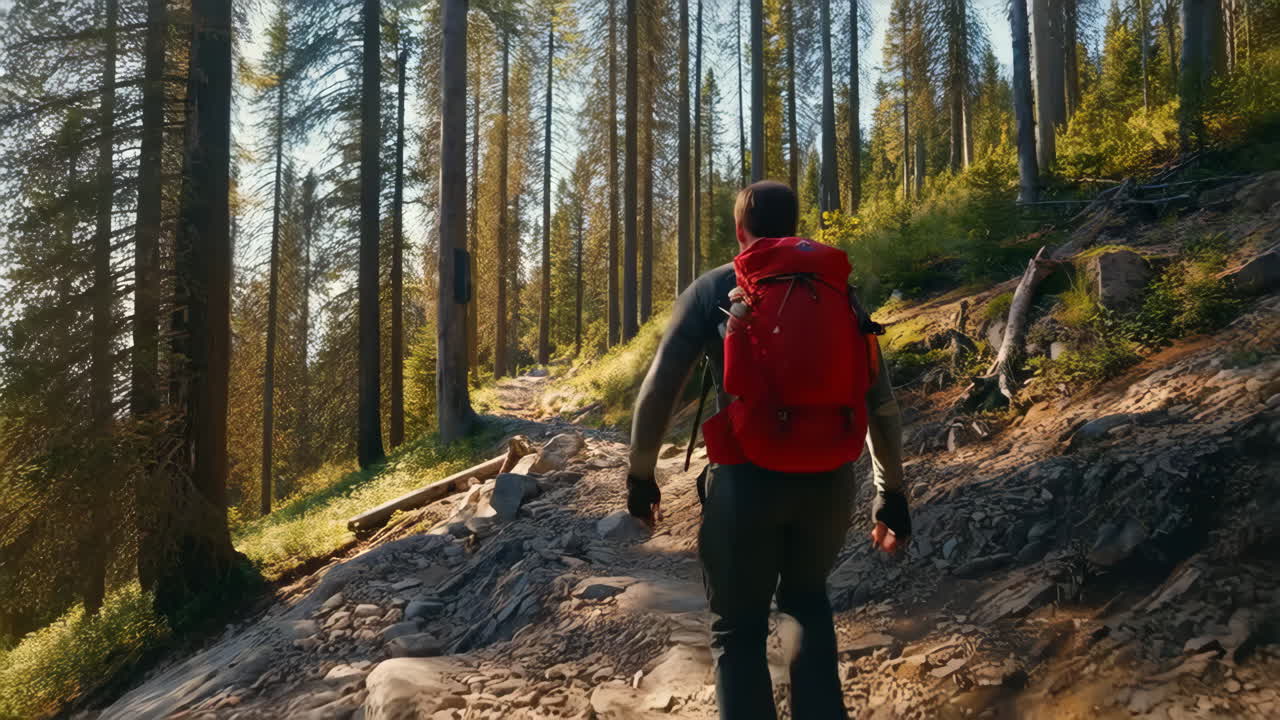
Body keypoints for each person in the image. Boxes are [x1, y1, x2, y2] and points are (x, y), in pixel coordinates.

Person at [625, 181, 910, 720]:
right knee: (808, 604)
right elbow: (882, 401)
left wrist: (641, 479)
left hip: (745, 481)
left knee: (738, 630)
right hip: (828, 481)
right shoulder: (840, 292)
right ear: (795, 225)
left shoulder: (715, 288)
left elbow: (660, 389)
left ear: (741, 232)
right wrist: (890, 492)